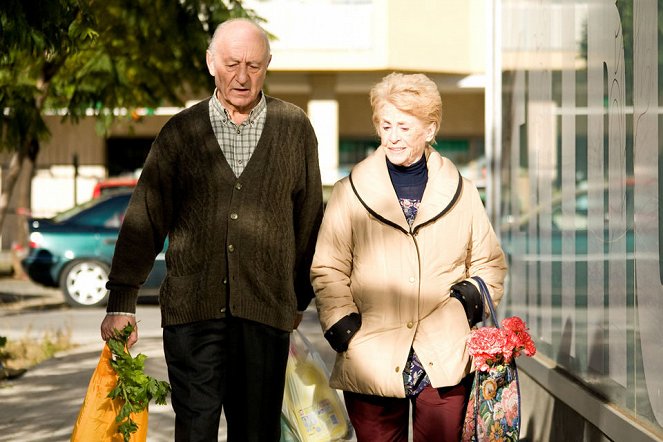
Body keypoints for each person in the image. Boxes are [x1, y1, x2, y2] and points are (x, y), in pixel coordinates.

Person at [100, 18, 323, 442]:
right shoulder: (181, 132)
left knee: (257, 433)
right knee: (196, 430)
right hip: (192, 314)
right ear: (211, 63)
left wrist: (299, 294)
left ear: (268, 65)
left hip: (264, 312)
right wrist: (122, 300)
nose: (242, 76)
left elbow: (309, 218)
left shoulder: (294, 128)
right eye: (232, 63)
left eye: (254, 65)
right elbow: (145, 216)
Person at [311, 72, 507, 442]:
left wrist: (467, 303)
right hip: (371, 352)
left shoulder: (461, 191)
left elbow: (489, 262)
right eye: (386, 125)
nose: (393, 136)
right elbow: (329, 266)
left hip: (444, 352)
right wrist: (343, 326)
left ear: (430, 129)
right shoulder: (350, 191)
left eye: (404, 126)